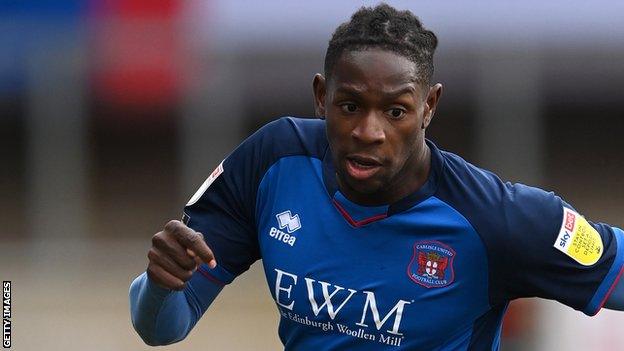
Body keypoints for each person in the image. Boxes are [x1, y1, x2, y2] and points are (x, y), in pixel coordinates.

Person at [129, 4, 624, 350]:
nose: (369, 132)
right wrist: (161, 287)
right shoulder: (273, 163)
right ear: (321, 96)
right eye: (349, 107)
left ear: (428, 107)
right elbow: (162, 328)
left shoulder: (496, 218)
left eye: (395, 111)